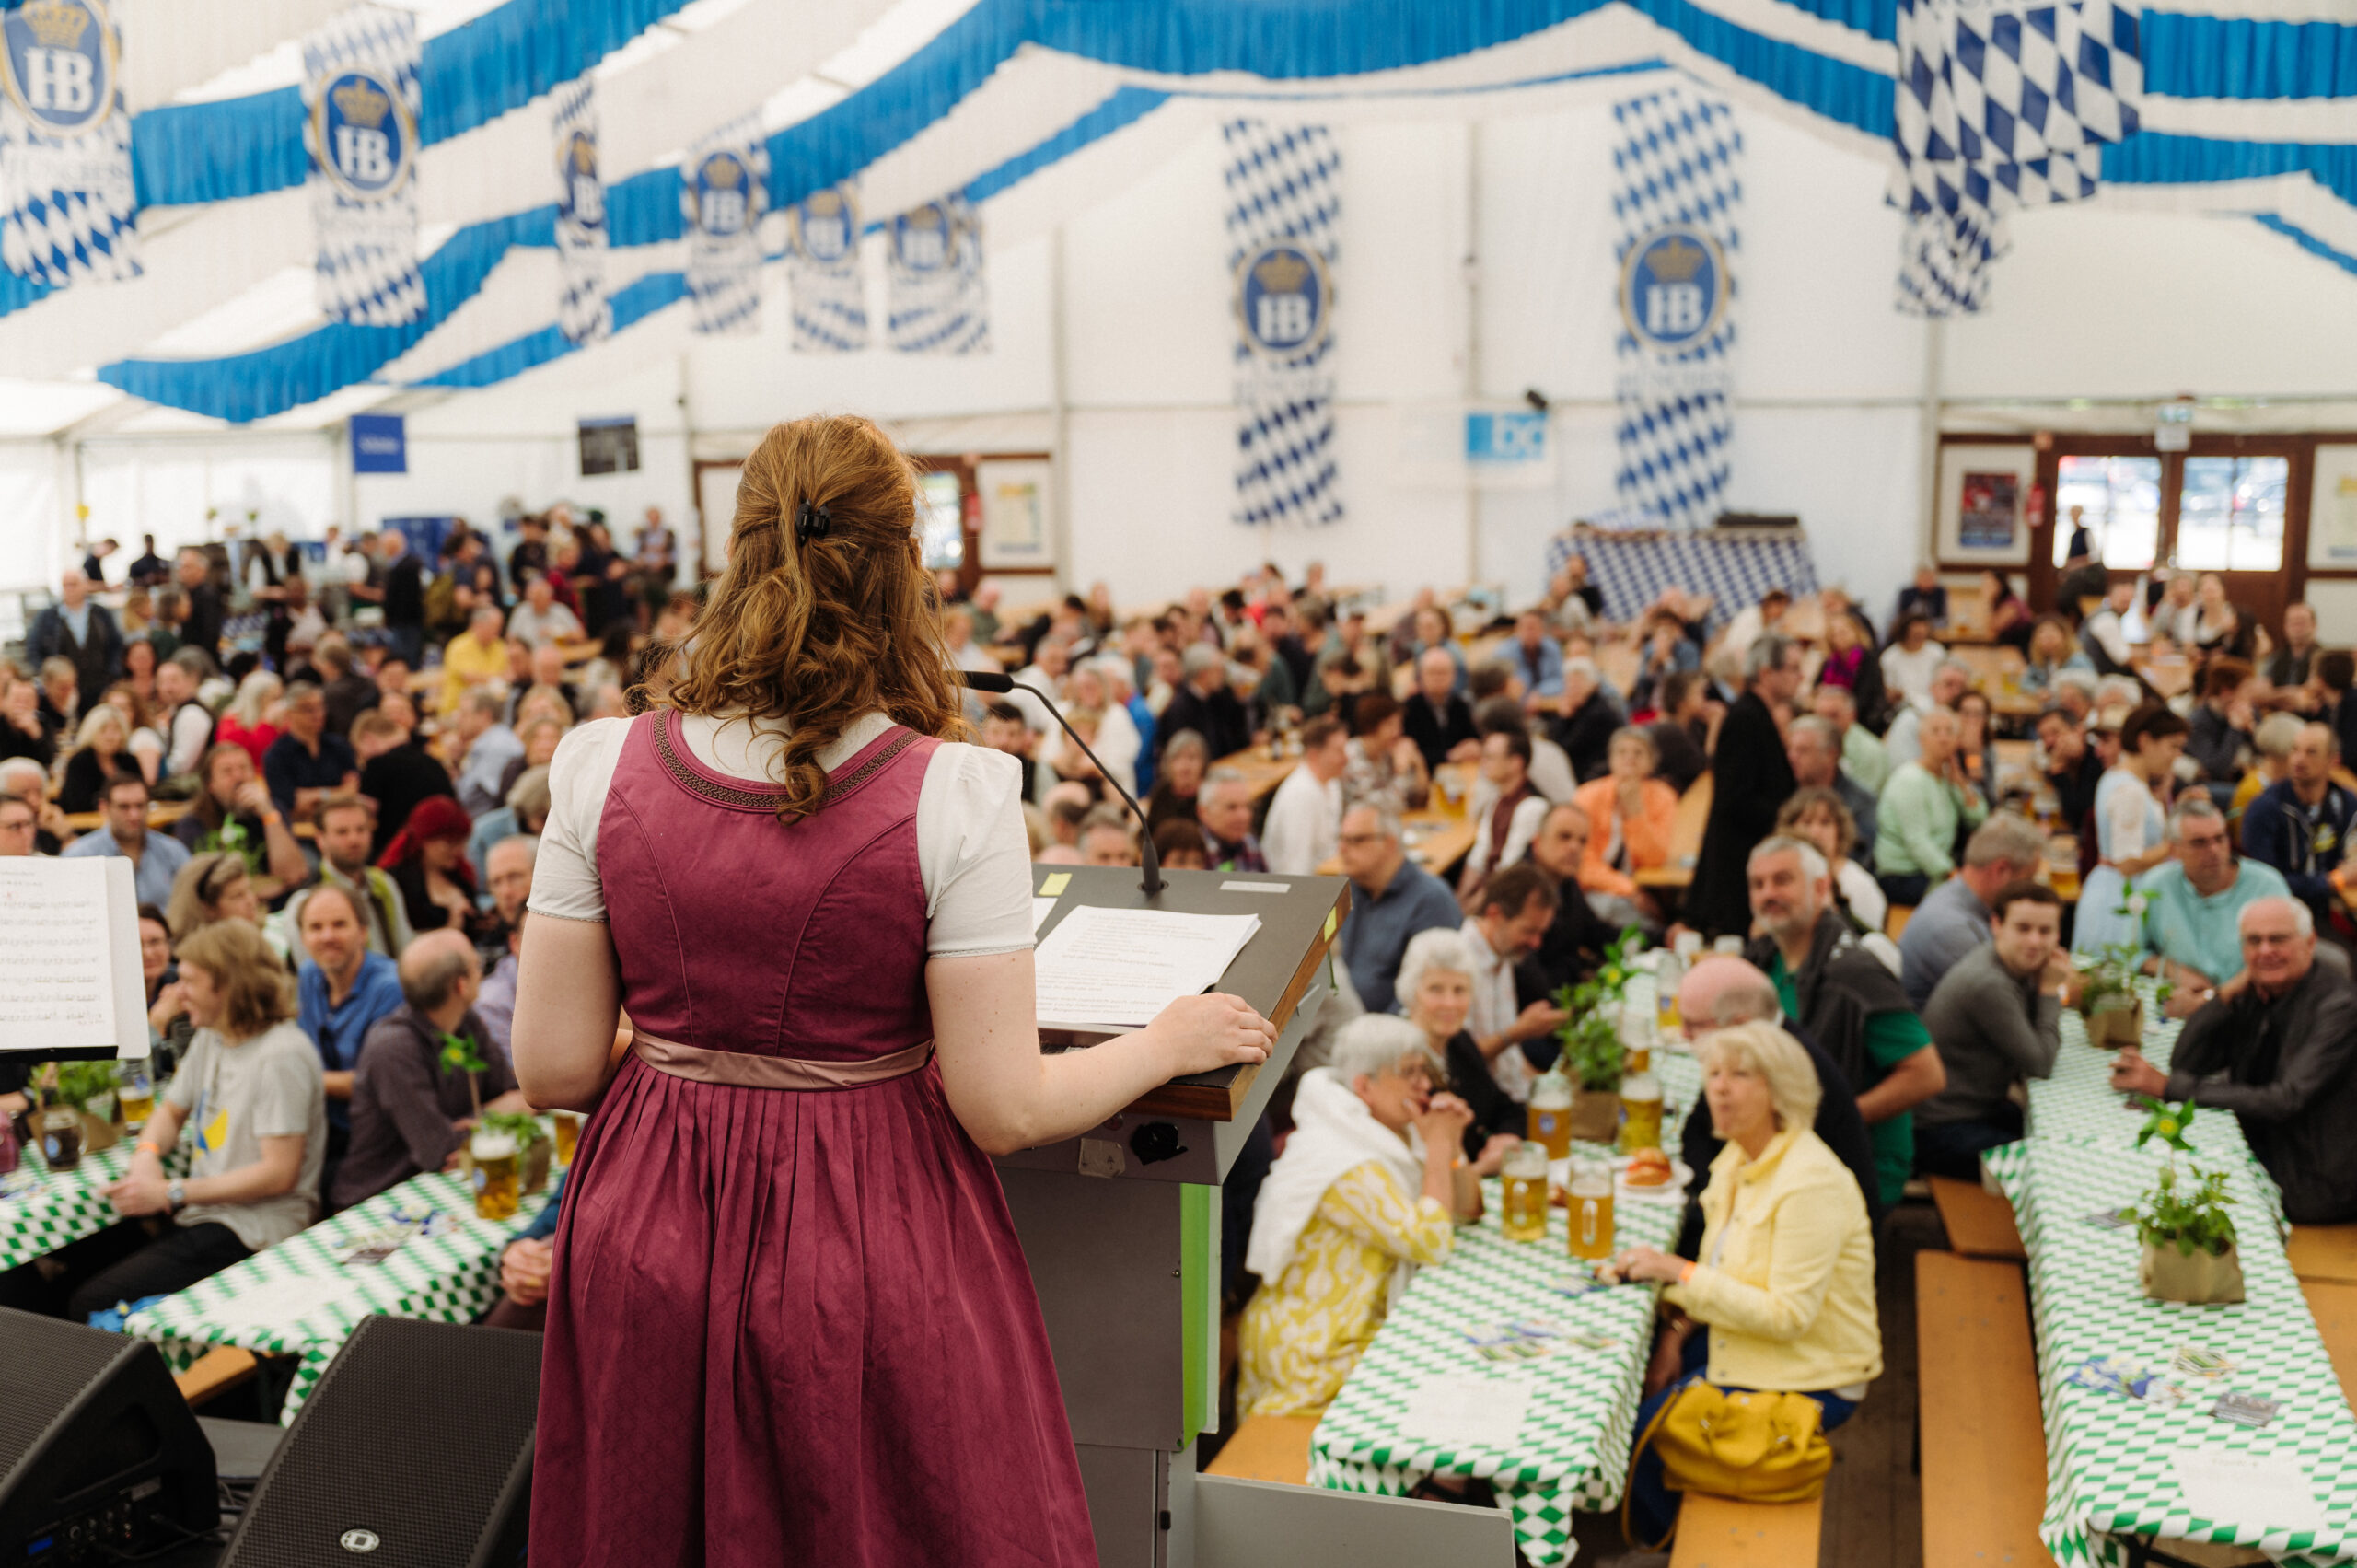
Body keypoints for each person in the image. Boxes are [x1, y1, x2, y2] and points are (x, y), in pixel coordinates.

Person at [507, 414, 1273, 1562]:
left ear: (740, 547)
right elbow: (1003, 1106)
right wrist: (1166, 1039)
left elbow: (553, 1067)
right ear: (901, 565)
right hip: (859, 1218)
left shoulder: (596, 759)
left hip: (648, 1216)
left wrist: (697, 1054)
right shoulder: (954, 790)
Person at [1609, 1020, 1879, 1546]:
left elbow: (1787, 1318)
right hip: (1744, 1340)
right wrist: (1676, 1333)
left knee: (1642, 1436)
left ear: (1780, 1090)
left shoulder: (1810, 1182)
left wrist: (1675, 1270)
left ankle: (1678, 1544)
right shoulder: (1739, 1157)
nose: (1720, 1087)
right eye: (1712, 1073)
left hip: (1813, 1370)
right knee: (1628, 1390)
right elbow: (1727, 1275)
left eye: (1740, 1075)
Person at [1238, 1016, 1501, 1417]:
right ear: (1364, 1086)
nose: (1424, 1085)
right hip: (1316, 1351)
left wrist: (1450, 1143)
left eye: (1424, 1071)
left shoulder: (1387, 1130)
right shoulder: (1342, 1160)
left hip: (1354, 1328)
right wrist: (1436, 1147)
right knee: (1456, 1389)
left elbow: (1466, 1210)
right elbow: (1430, 1242)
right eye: (1408, 1073)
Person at [70, 920, 325, 1321]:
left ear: (227, 985)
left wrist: (171, 1192)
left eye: (189, 980)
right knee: (67, 1267)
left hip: (256, 1230)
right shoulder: (213, 1036)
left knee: (90, 1303)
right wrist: (147, 1153)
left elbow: (280, 1174)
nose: (176, 992)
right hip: (207, 1215)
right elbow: (171, 1111)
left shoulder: (280, 1055)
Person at [2111, 898, 2357, 1223]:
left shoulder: (2338, 1007)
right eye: (2254, 941)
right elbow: (2187, 1061)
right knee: (2143, 1170)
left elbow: (2284, 1099)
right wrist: (2224, 994)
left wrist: (2169, 1087)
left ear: (2309, 942)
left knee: (2174, 1197)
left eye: (2278, 939)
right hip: (2263, 1146)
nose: (2265, 951)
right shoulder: (2258, 991)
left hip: (2311, 1182)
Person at [1745, 835, 1945, 1210]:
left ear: (1821, 888)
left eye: (1782, 880)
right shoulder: (1763, 961)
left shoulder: (1854, 972)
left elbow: (1927, 1074)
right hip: (1795, 1151)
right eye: (1758, 884)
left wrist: (1841, 1118)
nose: (1768, 893)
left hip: (1856, 1164)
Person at [1673, 957, 1882, 1225]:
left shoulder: (1789, 1072)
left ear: (1739, 1023)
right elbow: (1698, 1129)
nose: (1683, 1035)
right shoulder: (1749, 1056)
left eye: (1693, 1025)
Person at [333, 930, 530, 1209]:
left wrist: (477, 1120)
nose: (481, 975)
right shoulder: (392, 1048)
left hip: (445, 1191)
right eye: (476, 966)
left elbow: (518, 1096)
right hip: (377, 1202)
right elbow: (440, 1151)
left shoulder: (466, 1022)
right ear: (460, 985)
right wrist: (495, 1115)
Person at [1915, 883, 2066, 1179]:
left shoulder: (2006, 964)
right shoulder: (1989, 984)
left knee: (2059, 1134)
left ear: (2058, 934)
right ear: (1996, 925)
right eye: (2023, 928)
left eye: (2045, 931)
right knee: (2051, 1166)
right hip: (1940, 1130)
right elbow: (2040, 1064)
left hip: (1977, 1109)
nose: (2035, 941)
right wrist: (2050, 990)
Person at [2133, 796, 2292, 1017]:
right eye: (2200, 842)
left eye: (2220, 838)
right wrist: (2173, 970)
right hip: (2180, 1007)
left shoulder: (2266, 885)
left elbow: (2282, 960)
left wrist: (2210, 1000)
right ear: (2174, 851)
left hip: (2254, 1012)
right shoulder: (2157, 885)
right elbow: (2132, 953)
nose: (2214, 850)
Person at [1690, 634, 1804, 938]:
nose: (1801, 677)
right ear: (1767, 673)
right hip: (1737, 869)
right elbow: (1735, 799)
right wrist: (1787, 820)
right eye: (1793, 668)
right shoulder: (1744, 718)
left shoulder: (1755, 715)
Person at [1895, 813, 2050, 1008]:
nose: (2030, 890)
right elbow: (2005, 1003)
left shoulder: (1962, 899)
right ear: (2001, 870)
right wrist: (2052, 988)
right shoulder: (1951, 929)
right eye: (2028, 879)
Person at [1396, 928, 1522, 1155]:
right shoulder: (1399, 1057)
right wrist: (1480, 1169)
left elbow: (1505, 1107)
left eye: (1459, 990)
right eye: (1436, 989)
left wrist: (1506, 1137)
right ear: (1411, 992)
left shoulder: (1459, 1042)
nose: (1450, 1003)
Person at [1335, 799, 1463, 1015]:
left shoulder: (1431, 901)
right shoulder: (1348, 889)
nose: (1342, 849)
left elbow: (1426, 995)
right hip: (1338, 1022)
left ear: (1390, 843)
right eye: (1341, 839)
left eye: (1356, 840)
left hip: (1388, 1037)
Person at [1456, 863, 1565, 1103]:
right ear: (1495, 915)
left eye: (1541, 933)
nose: (1536, 943)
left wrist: (1545, 1085)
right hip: (1486, 1106)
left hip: (1515, 1094)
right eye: (1528, 931)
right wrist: (1520, 1031)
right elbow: (1459, 1061)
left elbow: (1510, 1060)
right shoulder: (1458, 963)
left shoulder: (1502, 952)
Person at [2242, 722, 2357, 933]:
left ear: (2333, 761)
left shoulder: (2345, 803)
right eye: (2295, 750)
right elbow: (2265, 885)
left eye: (2311, 752)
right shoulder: (2265, 809)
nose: (2298, 759)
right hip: (2280, 917)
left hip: (2326, 908)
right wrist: (2333, 880)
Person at [1874, 706, 1988, 909]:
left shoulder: (1945, 776)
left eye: (1949, 732)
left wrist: (1960, 782)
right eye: (1935, 731)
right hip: (1905, 875)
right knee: (1977, 900)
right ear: (1921, 739)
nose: (1943, 738)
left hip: (1935, 870)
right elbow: (1918, 842)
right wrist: (1956, 877)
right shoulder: (1909, 780)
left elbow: (1979, 817)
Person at [284, 794, 412, 959]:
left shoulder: (384, 883)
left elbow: (406, 948)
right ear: (320, 839)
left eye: (361, 829)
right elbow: (312, 972)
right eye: (342, 832)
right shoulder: (306, 900)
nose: (354, 839)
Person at [171, 743, 308, 897]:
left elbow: (294, 875)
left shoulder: (272, 810)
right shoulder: (192, 823)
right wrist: (258, 889)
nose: (238, 777)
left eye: (244, 768)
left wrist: (269, 815)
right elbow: (202, 888)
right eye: (227, 771)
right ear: (211, 784)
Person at [1570, 726, 1678, 907]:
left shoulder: (1663, 796)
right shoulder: (1586, 796)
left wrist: (1636, 812)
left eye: (1638, 752)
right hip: (1596, 890)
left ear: (1651, 762)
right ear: (1610, 759)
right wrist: (1628, 889)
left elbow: (1655, 860)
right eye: (1622, 752)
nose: (1630, 758)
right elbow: (1583, 862)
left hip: (1647, 890)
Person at [1522, 800, 1618, 992]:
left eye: (1582, 841)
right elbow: (1532, 979)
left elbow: (1596, 932)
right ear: (1537, 842)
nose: (1574, 847)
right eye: (1564, 837)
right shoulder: (1521, 891)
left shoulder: (1566, 882)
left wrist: (1663, 937)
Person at [61, 772, 190, 906]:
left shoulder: (173, 851)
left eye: (140, 806)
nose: (134, 815)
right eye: (124, 807)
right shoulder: (79, 856)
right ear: (104, 808)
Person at [1776, 787, 1887, 939]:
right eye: (1807, 823)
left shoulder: (1859, 884)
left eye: (1825, 823)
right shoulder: (1776, 881)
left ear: (1839, 830)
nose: (1815, 832)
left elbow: (1873, 944)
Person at [353, 709, 457, 860]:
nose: (361, 759)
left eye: (359, 751)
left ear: (368, 739)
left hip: (398, 855)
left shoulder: (377, 765)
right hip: (443, 852)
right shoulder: (432, 762)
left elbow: (360, 815)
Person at [379, 794, 484, 938]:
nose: (458, 850)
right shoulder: (397, 881)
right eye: (450, 843)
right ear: (425, 840)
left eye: (461, 842)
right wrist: (451, 928)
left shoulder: (461, 875)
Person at [1460, 727, 1548, 900]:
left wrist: (1472, 908)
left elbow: (1508, 871)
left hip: (1511, 900)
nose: (1483, 763)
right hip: (1490, 891)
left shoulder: (1532, 807)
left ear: (1515, 763)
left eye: (1490, 757)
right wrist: (1459, 901)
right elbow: (1478, 857)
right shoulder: (1497, 800)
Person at [27, 566, 122, 721]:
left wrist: (112, 673)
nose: (70, 589)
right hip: (61, 692)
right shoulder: (47, 617)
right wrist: (48, 679)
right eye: (66, 585)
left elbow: (115, 645)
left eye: (74, 584)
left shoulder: (101, 614)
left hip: (98, 686)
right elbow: (33, 649)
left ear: (85, 585)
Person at [261, 681, 359, 823]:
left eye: (320, 707)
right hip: (300, 831)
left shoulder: (338, 745)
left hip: (343, 823)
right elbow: (292, 805)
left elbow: (352, 791)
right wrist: (338, 793)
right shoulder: (277, 755)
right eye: (308, 709)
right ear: (290, 713)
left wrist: (314, 796)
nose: (318, 714)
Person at [1260, 715, 1347, 875]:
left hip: (1328, 875)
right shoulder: (1301, 795)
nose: (1345, 758)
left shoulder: (1331, 783)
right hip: (1300, 888)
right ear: (1314, 754)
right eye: (1338, 751)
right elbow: (1295, 867)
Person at [1787, 714, 1876, 858]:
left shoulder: (1862, 802)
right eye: (1790, 749)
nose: (1792, 757)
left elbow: (1862, 855)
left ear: (1831, 755)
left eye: (1803, 750)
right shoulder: (1783, 795)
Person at [1158, 644, 1251, 762]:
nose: (1223, 676)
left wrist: (1238, 702)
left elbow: (1234, 740)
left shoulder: (1216, 698)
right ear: (1203, 673)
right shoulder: (1180, 708)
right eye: (1218, 670)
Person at [1341, 692, 1430, 809]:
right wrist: (1402, 771)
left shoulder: (1387, 753)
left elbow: (1416, 802)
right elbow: (1382, 807)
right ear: (1371, 726)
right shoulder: (1350, 756)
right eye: (1391, 725)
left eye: (1399, 725)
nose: (1398, 731)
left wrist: (1419, 764)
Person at [1881, 657, 1970, 772]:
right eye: (1949, 685)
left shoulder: (1965, 721)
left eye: (1961, 687)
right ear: (1932, 688)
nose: (1956, 692)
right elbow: (1903, 771)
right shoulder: (1912, 719)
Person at [1545, 656, 1621, 784]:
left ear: (1593, 685)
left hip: (1593, 777)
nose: (1572, 688)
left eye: (1578, 683)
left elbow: (1561, 749)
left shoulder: (1598, 713)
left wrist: (1563, 718)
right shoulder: (1580, 709)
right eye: (1569, 683)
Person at [1402, 645, 1479, 772]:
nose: (1438, 678)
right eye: (1432, 672)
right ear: (1421, 676)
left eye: (1443, 672)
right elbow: (1411, 752)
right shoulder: (1409, 708)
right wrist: (1449, 756)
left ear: (1453, 675)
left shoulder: (1460, 704)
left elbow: (1472, 737)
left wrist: (1472, 746)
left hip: (1459, 771)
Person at [2038, 703, 2104, 840]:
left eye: (2055, 732)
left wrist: (2058, 771)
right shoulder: (2063, 764)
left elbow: (2078, 821)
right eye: (2043, 737)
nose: (2049, 741)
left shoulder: (2098, 762)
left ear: (2078, 731)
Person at [55, 703, 134, 815]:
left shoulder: (129, 761)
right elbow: (78, 804)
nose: (110, 736)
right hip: (86, 824)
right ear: (92, 731)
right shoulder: (79, 763)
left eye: (116, 730)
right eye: (103, 730)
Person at [156, 651, 216, 779]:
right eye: (162, 682)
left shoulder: (191, 713)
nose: (168, 688)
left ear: (190, 679)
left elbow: (180, 767)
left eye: (174, 680)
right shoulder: (176, 710)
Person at [1197, 767, 1267, 874]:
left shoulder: (1251, 845)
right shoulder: (1194, 854)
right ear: (1204, 813)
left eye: (1247, 806)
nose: (1243, 816)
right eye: (1231, 807)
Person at [213, 669, 283, 768]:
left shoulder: (281, 720)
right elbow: (252, 759)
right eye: (274, 699)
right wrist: (266, 725)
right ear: (256, 700)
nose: (278, 704)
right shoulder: (231, 724)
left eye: (280, 698)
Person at [1878, 612, 1946, 712]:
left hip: (1934, 705)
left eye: (1922, 634)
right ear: (1904, 632)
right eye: (1915, 635)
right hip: (1903, 709)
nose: (1919, 638)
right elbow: (1887, 690)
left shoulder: (1937, 652)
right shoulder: (1889, 657)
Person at [1144, 727, 1208, 832]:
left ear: (1203, 763)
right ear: (1168, 764)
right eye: (1177, 758)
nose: (1185, 766)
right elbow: (1148, 831)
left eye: (1192, 758)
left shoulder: (1210, 794)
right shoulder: (1161, 792)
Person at [507, 571, 586, 648]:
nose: (537, 600)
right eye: (534, 597)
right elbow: (510, 639)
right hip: (528, 657)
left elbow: (581, 636)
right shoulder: (522, 611)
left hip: (559, 656)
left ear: (550, 597)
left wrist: (556, 632)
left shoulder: (560, 610)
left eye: (541, 597)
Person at [1504, 609, 1563, 708]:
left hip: (1547, 703)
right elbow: (1510, 688)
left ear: (1542, 630)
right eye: (1527, 628)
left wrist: (1538, 692)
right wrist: (1527, 697)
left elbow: (1560, 679)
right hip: (1517, 707)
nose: (1530, 633)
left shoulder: (1552, 647)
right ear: (1517, 630)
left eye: (1534, 628)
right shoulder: (1506, 653)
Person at [2020, 615, 2094, 694]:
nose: (2046, 637)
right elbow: (2025, 682)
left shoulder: (2077, 659)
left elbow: (2092, 683)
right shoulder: (2043, 662)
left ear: (2064, 635)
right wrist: (2038, 691)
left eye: (2051, 633)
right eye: (2041, 633)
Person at [2267, 602, 2321, 695]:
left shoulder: (2322, 658)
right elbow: (2262, 689)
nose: (2297, 628)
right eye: (2292, 623)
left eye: (2302, 623)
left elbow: (2312, 691)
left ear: (2314, 625)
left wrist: (2275, 694)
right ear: (2285, 627)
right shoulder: (2276, 658)